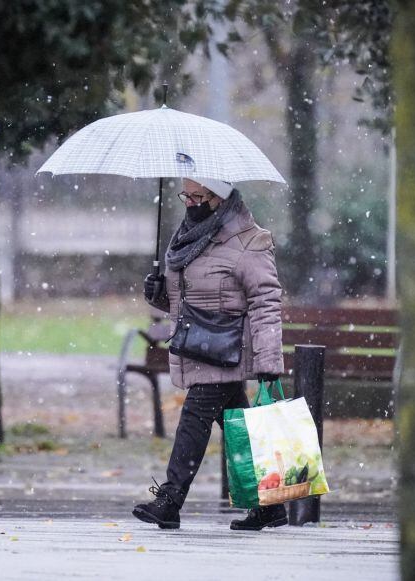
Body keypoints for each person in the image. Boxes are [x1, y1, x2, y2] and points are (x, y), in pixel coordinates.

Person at [133, 177, 286, 531]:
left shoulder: (250, 241)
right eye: (185, 194)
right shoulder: (189, 237)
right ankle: (268, 505)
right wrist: (157, 293)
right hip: (199, 343)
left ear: (219, 198)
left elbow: (266, 302)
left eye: (198, 195)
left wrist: (267, 362)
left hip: (229, 348)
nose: (189, 201)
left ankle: (170, 500)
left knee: (195, 416)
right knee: (239, 427)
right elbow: (183, 298)